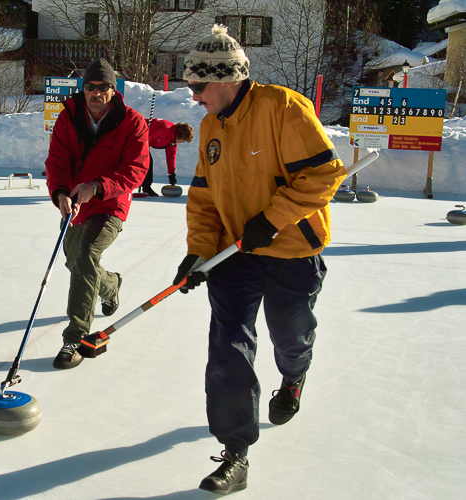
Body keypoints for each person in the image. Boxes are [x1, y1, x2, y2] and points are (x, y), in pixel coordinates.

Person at [172, 25, 346, 495]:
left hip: (292, 250)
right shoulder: (211, 125)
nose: (194, 96)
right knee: (228, 349)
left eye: (198, 86)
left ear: (226, 79)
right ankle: (235, 453)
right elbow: (205, 197)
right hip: (236, 255)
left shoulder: (284, 108)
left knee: (290, 336)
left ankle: (294, 376)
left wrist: (272, 219)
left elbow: (324, 175)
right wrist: (199, 253)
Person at [45, 58, 148, 370]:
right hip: (76, 203)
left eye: (103, 87)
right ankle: (111, 285)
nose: (95, 92)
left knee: (87, 255)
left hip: (110, 203)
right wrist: (61, 191)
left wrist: (100, 187)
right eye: (90, 87)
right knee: (75, 262)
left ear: (113, 91)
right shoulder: (69, 117)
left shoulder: (132, 122)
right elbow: (57, 160)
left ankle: (74, 337)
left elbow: (136, 170)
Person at [141, 119, 194, 196]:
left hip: (146, 139)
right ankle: (146, 187)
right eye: (183, 139)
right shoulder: (164, 128)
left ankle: (145, 186)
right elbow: (146, 137)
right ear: (179, 134)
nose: (182, 142)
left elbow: (171, 157)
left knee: (147, 159)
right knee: (146, 159)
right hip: (136, 135)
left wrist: (171, 174)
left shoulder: (173, 140)